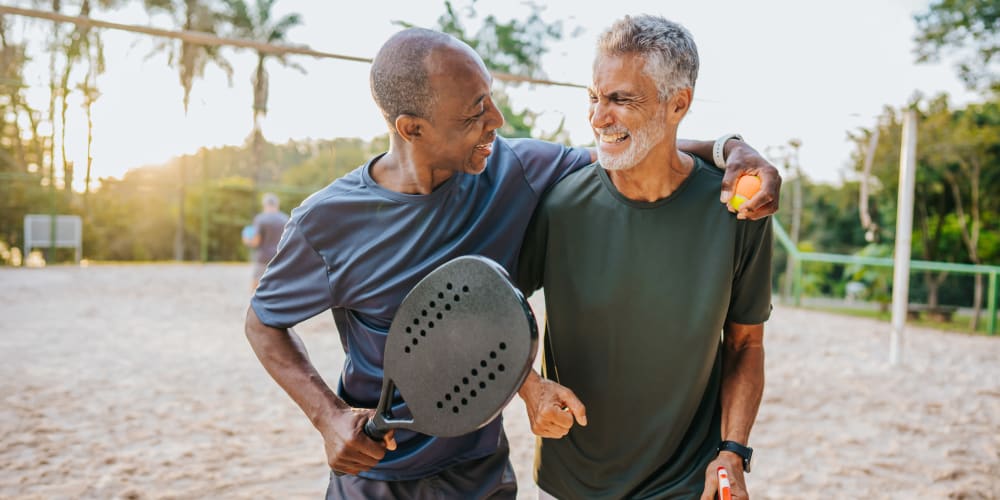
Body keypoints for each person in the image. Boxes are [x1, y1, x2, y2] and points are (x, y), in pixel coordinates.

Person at [244, 27, 779, 499]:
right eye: (475, 113)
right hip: (376, 474)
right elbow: (263, 321)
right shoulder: (327, 222)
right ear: (412, 129)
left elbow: (631, 145)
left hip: (481, 469)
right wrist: (327, 416)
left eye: (490, 99)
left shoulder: (516, 169)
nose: (496, 120)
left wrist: (733, 149)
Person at [517, 15, 772, 500]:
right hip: (571, 481)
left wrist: (734, 451)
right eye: (594, 97)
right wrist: (528, 387)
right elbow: (494, 310)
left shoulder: (738, 210)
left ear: (678, 104)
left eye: (620, 100)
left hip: (687, 482)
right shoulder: (558, 205)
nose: (597, 118)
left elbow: (746, 346)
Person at [243, 192, 290, 291]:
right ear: (277, 204)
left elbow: (256, 241)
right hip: (279, 256)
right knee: (278, 286)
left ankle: (254, 305)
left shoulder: (260, 219)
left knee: (256, 284)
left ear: (265, 205)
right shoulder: (285, 219)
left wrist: (247, 241)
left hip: (263, 257)